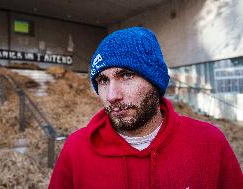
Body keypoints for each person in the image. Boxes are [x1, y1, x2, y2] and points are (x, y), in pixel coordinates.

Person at [49, 27, 242, 189]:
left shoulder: (209, 142)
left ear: (155, 82)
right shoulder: (76, 149)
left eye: (126, 75)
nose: (111, 96)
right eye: (103, 80)